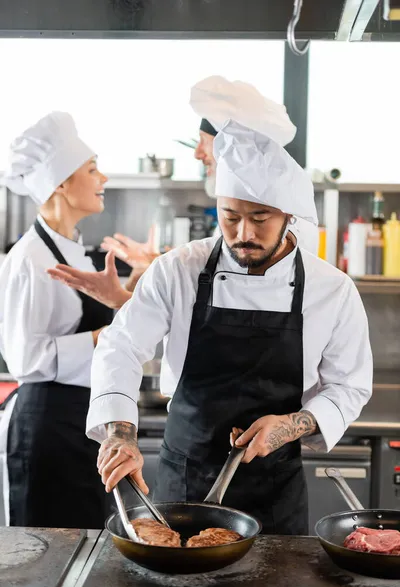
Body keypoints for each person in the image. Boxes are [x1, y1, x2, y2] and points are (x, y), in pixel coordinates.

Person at [87, 100, 373, 534]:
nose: (243, 234)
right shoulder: (178, 270)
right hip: (183, 481)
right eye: (230, 217)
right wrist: (120, 432)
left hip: (276, 490)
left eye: (260, 218)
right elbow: (121, 345)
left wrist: (291, 425)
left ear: (288, 214)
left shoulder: (331, 289)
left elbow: (349, 386)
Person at [48, 76, 319, 309]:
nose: (197, 154)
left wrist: (123, 297)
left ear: (234, 149)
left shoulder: (283, 231)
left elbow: (228, 306)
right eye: (232, 217)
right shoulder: (256, 222)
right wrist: (161, 267)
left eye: (204, 142)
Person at [0, 112, 114, 528]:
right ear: (61, 184)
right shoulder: (31, 257)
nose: (103, 178)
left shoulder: (72, 250)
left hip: (79, 421)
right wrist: (102, 337)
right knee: (46, 558)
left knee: (84, 547)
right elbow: (25, 359)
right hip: (46, 426)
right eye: (92, 169)